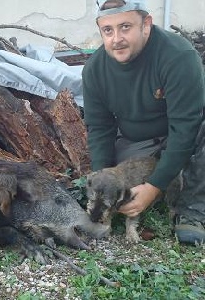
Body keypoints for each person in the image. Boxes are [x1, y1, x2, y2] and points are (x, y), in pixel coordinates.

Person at [82, 0, 205, 245]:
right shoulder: (94, 69)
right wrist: (102, 178)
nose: (116, 39)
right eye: (108, 30)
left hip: (186, 135)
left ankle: (193, 208)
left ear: (146, 24)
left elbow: (185, 128)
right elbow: (99, 128)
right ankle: (169, 176)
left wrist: (152, 188)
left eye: (125, 27)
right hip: (137, 142)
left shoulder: (178, 56)